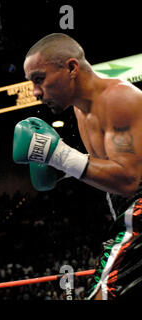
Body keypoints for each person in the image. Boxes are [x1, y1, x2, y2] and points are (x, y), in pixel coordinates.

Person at [13, 33, 142, 300]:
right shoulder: (80, 109)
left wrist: (59, 155)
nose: (36, 92)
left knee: (103, 294)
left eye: (39, 79)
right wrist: (59, 167)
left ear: (72, 68)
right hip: (124, 210)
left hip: (137, 211)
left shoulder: (119, 99)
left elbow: (129, 181)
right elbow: (109, 172)